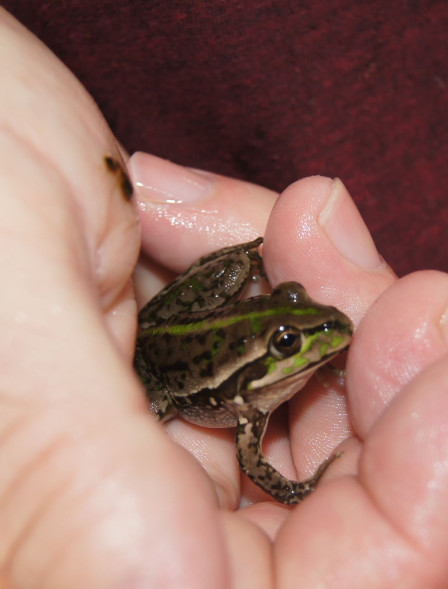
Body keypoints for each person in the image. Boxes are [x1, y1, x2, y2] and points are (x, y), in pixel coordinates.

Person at [1, 8, 448, 588]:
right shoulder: (248, 412)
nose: (308, 329)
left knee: (264, 268)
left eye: (292, 307)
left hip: (189, 320)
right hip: (166, 376)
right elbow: (253, 463)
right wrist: (301, 491)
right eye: (288, 341)